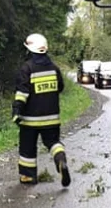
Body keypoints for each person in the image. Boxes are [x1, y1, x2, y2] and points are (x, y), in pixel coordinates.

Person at [11, 33, 71, 187]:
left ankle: (28, 176)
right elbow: (60, 87)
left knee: (27, 147)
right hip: (52, 118)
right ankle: (60, 158)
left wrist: (17, 111)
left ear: (30, 50)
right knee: (53, 142)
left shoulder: (27, 68)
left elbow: (22, 93)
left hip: (30, 120)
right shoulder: (54, 68)